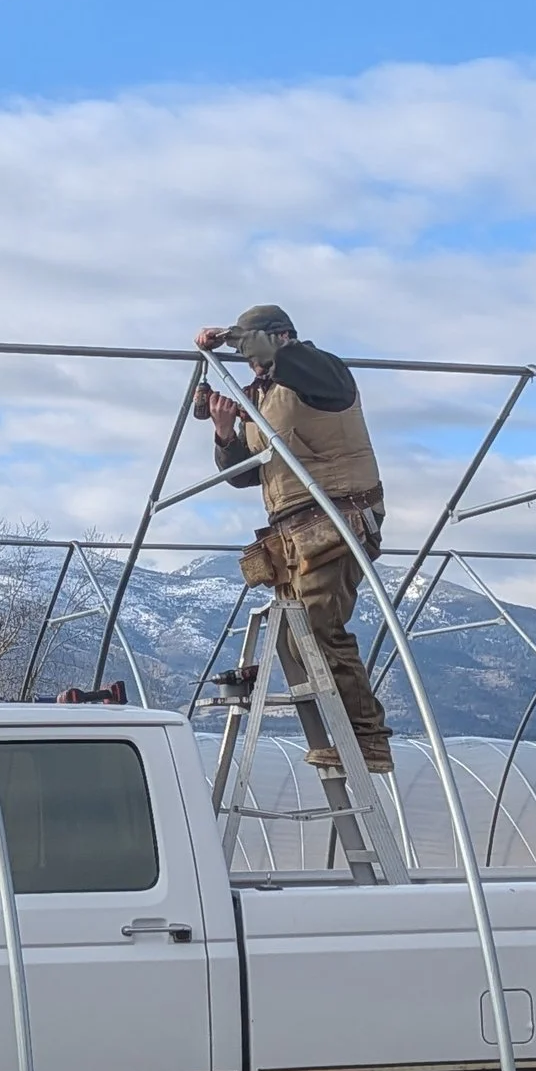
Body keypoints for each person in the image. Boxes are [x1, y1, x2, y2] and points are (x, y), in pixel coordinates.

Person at [196, 303, 393, 773]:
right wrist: (225, 431)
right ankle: (342, 737)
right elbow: (244, 474)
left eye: (253, 349)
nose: (250, 363)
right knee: (294, 635)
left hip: (337, 518)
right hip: (295, 531)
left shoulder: (319, 372)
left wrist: (223, 336)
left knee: (321, 625)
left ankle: (368, 741)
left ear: (280, 338)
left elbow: (273, 355)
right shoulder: (264, 397)